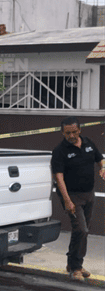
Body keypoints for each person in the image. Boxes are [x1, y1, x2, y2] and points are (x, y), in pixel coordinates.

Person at [51, 117, 105, 282]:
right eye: (68, 133)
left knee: (81, 232)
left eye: (74, 132)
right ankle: (75, 268)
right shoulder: (60, 150)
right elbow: (59, 178)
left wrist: (103, 167)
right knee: (81, 230)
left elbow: (99, 159)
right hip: (72, 195)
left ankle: (73, 264)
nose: (71, 135)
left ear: (79, 130)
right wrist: (67, 201)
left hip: (89, 194)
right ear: (62, 133)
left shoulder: (88, 143)